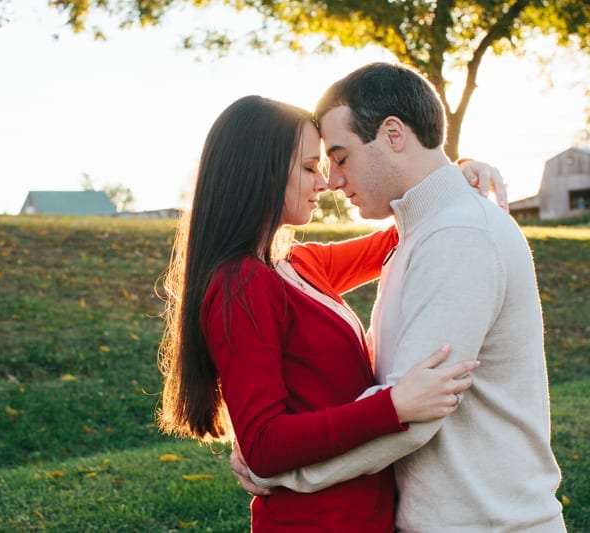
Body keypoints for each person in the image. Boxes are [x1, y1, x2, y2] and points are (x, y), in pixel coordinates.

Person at [235, 63, 566, 532]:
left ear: (392, 134)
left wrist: (284, 471)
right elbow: (394, 393)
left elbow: (411, 418)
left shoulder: (459, 235)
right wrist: (271, 441)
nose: (332, 181)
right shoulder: (419, 235)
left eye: (341, 157)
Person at [157, 94, 503, 531]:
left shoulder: (301, 265)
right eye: (308, 168)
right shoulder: (240, 284)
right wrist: (393, 405)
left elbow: (405, 234)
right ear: (259, 171)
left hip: (366, 516)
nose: (325, 183)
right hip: (313, 522)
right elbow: (264, 444)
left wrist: (454, 175)